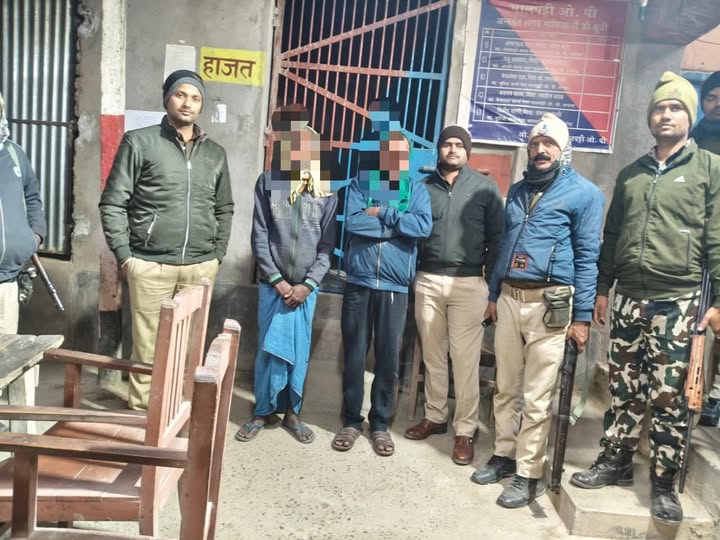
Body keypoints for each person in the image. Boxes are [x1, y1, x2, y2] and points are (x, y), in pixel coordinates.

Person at [570, 72, 720, 525]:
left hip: (678, 301)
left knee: (670, 396)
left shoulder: (710, 169)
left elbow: (717, 239)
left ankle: (663, 481)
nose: (665, 115)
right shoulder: (631, 174)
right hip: (627, 298)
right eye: (659, 108)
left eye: (675, 108)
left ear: (689, 116)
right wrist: (602, 289)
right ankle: (615, 461)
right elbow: (613, 235)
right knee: (624, 387)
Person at [472, 113, 604, 508]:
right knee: (505, 387)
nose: (541, 150)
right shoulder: (516, 190)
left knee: (536, 394)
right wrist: (493, 294)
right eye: (534, 144)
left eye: (549, 144)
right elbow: (504, 247)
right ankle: (503, 454)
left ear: (563, 150)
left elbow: (588, 258)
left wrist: (582, 318)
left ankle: (528, 474)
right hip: (510, 299)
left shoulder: (584, 194)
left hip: (552, 306)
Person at [100, 69, 234, 410]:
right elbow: (113, 202)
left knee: (188, 349)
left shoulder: (214, 154)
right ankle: (144, 417)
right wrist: (126, 256)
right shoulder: (139, 142)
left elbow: (224, 207)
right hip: (150, 264)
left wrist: (217, 254)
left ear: (201, 105)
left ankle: (176, 413)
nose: (187, 103)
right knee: (148, 348)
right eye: (180, 94)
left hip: (200, 266)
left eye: (195, 98)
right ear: (167, 99)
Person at [235, 106, 337, 444]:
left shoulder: (326, 191)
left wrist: (308, 285)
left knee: (299, 350)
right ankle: (262, 411)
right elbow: (260, 236)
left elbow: (327, 247)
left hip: (306, 289)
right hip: (273, 286)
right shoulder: (268, 182)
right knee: (268, 349)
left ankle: (293, 412)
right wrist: (277, 280)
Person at [404, 125, 504, 466]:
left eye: (459, 145)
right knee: (433, 354)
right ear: (439, 149)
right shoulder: (422, 187)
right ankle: (435, 416)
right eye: (447, 144)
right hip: (429, 280)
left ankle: (465, 430)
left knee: (464, 359)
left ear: (467, 152)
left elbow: (498, 238)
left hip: (469, 283)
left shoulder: (485, 189)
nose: (452, 149)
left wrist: (491, 285)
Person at [332, 130, 432, 456]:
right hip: (359, 282)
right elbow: (354, 224)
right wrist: (398, 228)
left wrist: (383, 214)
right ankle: (351, 420)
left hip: (394, 287)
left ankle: (380, 425)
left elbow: (422, 227)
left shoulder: (416, 190)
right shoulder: (361, 185)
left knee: (388, 359)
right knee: (354, 356)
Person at [0, 91, 47, 334]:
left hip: (7, 282)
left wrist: (35, 235)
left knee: (8, 352)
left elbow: (32, 197)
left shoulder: (14, 154)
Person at [692, 71, 720, 427]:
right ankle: (699, 390)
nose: (717, 104)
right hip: (699, 247)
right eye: (711, 98)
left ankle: (715, 394)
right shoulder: (693, 139)